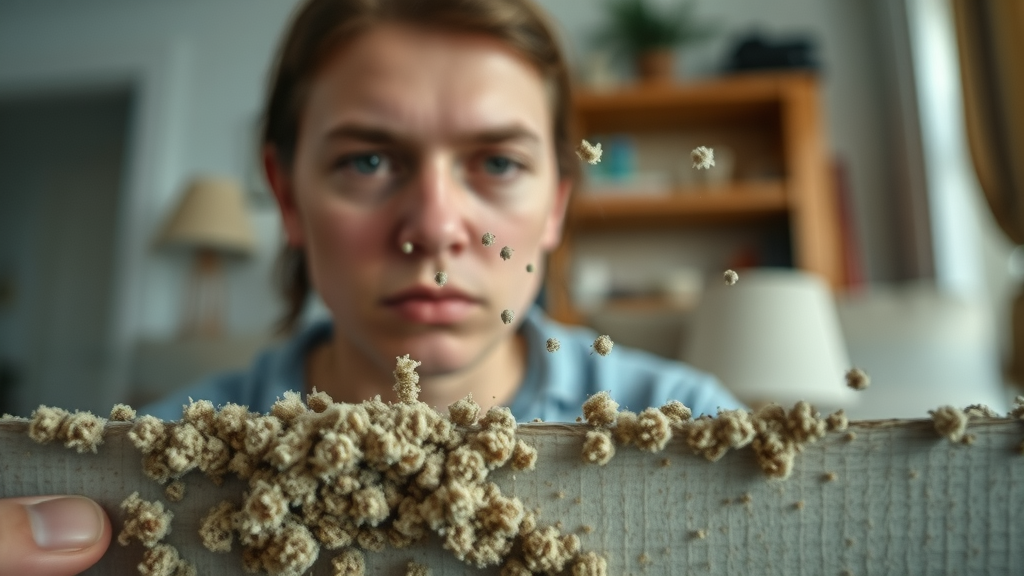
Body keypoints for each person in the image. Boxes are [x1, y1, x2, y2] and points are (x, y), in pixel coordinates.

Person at [1, 0, 740, 572]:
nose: (434, 226)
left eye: (499, 163)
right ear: (288, 196)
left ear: (555, 204)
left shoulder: (697, 434)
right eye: (367, 162)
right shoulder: (151, 463)